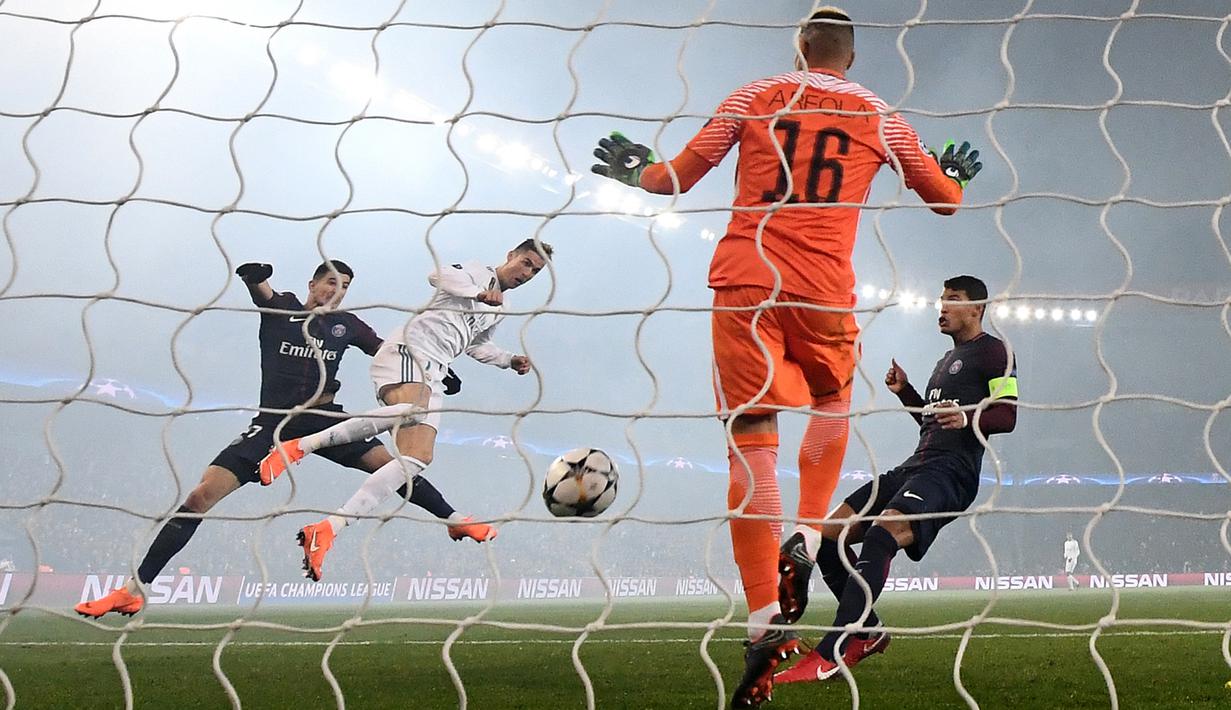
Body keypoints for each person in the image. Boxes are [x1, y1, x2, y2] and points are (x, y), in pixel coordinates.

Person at [589, 6, 981, 706]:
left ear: (797, 50)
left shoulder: (751, 94)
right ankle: (804, 530)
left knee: (750, 442)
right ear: (849, 58)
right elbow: (943, 203)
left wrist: (637, 169)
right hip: (825, 289)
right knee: (831, 402)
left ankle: (763, 616)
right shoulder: (876, 111)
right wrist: (954, 177)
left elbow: (670, 180)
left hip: (744, 279)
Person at [75, 260, 471, 619]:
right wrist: (253, 276)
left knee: (395, 469)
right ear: (312, 283)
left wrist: (432, 370)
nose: (337, 290)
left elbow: (390, 351)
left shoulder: (346, 325)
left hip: (325, 420)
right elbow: (260, 290)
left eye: (345, 285)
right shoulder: (282, 307)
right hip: (273, 425)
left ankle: (454, 520)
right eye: (331, 281)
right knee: (199, 497)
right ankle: (133, 590)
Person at [259, 239, 551, 582]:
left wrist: (508, 359)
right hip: (408, 353)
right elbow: (437, 275)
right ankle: (300, 446)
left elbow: (476, 345)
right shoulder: (476, 272)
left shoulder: (499, 307)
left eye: (536, 270)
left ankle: (328, 527)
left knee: (416, 460)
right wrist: (477, 293)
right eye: (526, 263)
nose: (527, 273)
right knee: (411, 411)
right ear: (511, 255)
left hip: (434, 371)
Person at [774, 275, 1018, 683]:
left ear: (977, 308)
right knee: (829, 532)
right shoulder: (944, 363)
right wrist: (907, 392)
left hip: (951, 471)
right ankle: (868, 632)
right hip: (915, 465)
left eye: (953, 300)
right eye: (941, 299)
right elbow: (931, 423)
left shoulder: (996, 353)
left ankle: (832, 650)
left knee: (882, 533)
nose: (942, 307)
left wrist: (967, 417)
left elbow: (1007, 414)